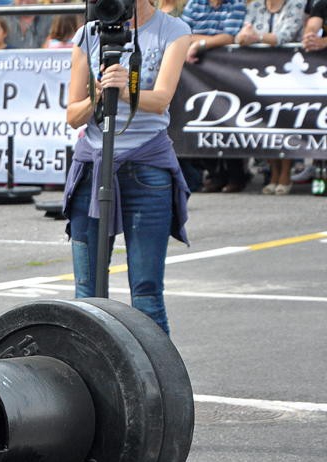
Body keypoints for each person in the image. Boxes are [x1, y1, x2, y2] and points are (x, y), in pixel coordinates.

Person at [63, 0, 192, 335]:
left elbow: (162, 98)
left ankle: (160, 382)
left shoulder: (173, 30)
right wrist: (99, 94)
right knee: (87, 292)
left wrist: (124, 90)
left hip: (146, 165)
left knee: (146, 292)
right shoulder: (88, 33)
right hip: (93, 164)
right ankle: (88, 376)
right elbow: (72, 114)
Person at [234, 0, 305, 195]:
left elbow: (286, 35)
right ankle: (273, 171)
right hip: (261, 70)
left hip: (290, 72)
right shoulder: (255, 5)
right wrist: (242, 37)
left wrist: (255, 37)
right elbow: (243, 32)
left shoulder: (296, 4)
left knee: (285, 121)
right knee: (266, 121)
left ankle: (286, 173)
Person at [180, 0, 248, 192]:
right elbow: (184, 33)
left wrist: (200, 43)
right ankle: (215, 174)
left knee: (230, 119)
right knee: (202, 119)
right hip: (198, 73)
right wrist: (208, 40)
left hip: (230, 71)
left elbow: (229, 36)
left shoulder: (236, 4)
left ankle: (236, 175)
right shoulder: (195, 3)